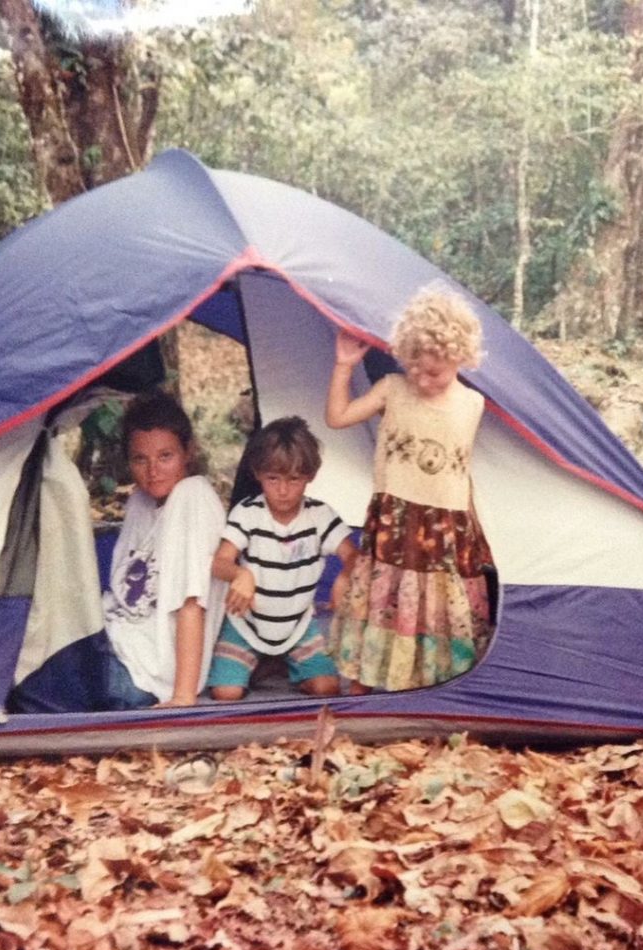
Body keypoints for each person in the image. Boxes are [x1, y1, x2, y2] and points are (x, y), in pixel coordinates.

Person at [325, 286, 494, 693]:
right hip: (396, 520)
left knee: (435, 606)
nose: (421, 378)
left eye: (433, 371)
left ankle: (436, 686)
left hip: (445, 524)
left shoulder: (473, 404)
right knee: (382, 598)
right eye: (414, 367)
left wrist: (477, 531)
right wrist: (344, 366)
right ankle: (362, 685)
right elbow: (337, 417)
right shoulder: (393, 388)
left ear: (459, 357)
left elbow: (463, 471)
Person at [208, 416, 357, 701]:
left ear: (310, 475)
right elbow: (219, 562)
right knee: (226, 693)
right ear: (257, 473)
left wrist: (346, 575)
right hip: (246, 626)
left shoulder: (320, 515)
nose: (284, 490)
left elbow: (353, 555)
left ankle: (278, 661)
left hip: (298, 627)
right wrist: (240, 574)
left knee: (327, 688)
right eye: (273, 479)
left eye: (294, 479)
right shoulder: (248, 512)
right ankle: (265, 659)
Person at [101, 392, 227, 708]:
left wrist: (183, 697)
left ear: (189, 452)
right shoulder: (140, 503)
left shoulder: (192, 497)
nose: (153, 470)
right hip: (111, 642)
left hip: (141, 673)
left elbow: (192, 602)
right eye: (140, 459)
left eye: (165, 456)